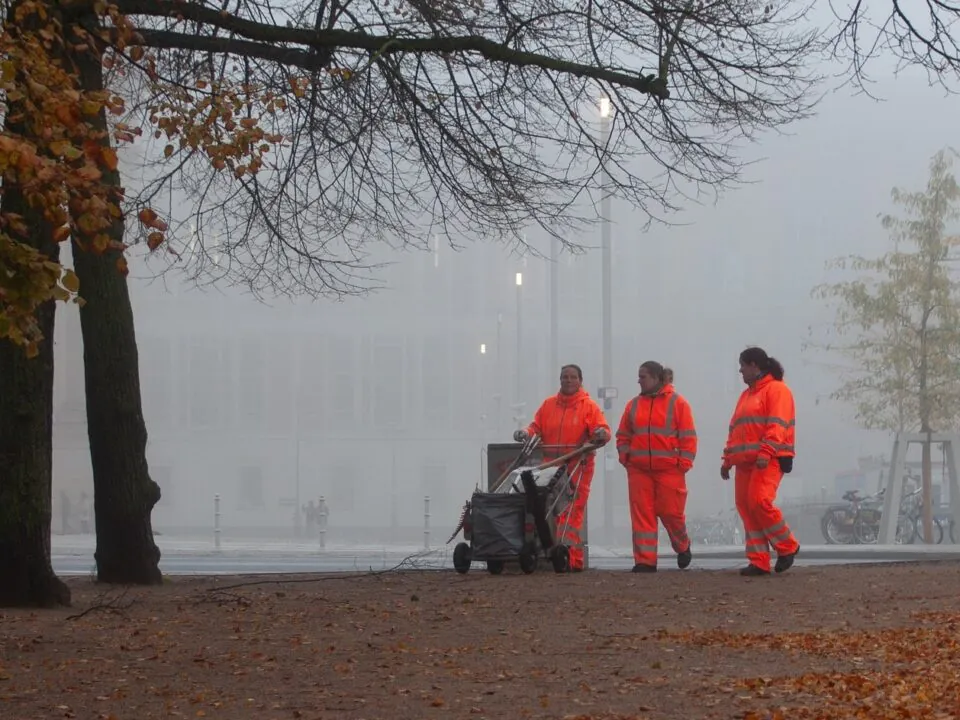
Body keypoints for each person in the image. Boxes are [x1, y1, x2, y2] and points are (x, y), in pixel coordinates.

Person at [514, 364, 611, 572]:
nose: (568, 380)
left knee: (570, 512)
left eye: (572, 377)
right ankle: (549, 551)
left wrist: (600, 434)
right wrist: (525, 433)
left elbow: (601, 428)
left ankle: (571, 558)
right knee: (544, 510)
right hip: (550, 468)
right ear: (560, 380)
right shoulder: (548, 406)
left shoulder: (589, 407)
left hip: (578, 467)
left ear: (580, 381)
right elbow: (536, 427)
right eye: (565, 377)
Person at [721, 346, 800, 576]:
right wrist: (728, 460)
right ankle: (758, 560)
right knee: (746, 507)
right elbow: (735, 430)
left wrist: (766, 452)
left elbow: (778, 425)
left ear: (754, 366)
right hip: (746, 461)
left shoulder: (777, 390)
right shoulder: (746, 396)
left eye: (742, 366)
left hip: (769, 459)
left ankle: (787, 546)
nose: (740, 371)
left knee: (759, 502)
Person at [616, 361, 697, 573]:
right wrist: (626, 457)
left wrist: (684, 464)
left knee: (671, 512)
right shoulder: (633, 405)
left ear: (655, 378)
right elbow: (623, 435)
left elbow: (688, 437)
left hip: (670, 470)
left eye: (642, 376)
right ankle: (645, 561)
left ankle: (682, 545)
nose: (639, 380)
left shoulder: (678, 404)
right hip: (639, 470)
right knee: (642, 515)